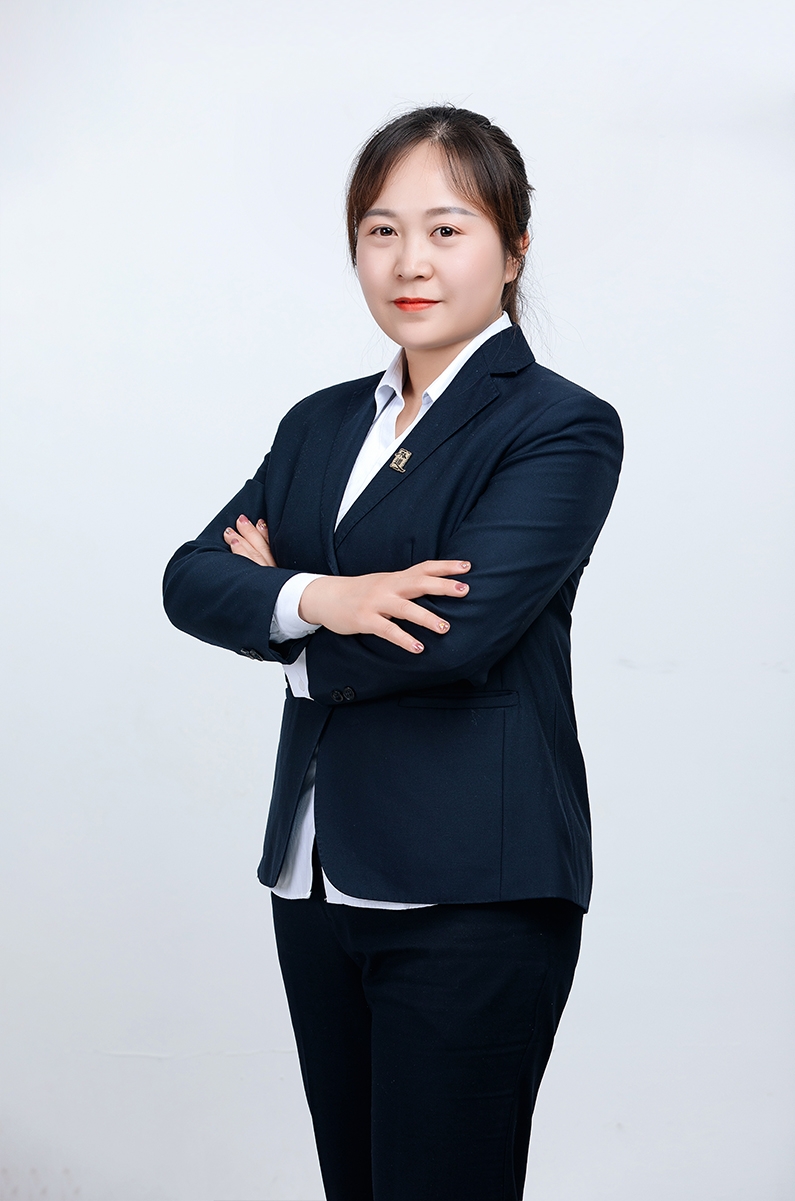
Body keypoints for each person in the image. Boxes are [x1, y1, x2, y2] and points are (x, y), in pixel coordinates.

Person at [163, 104, 623, 1201]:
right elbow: (191, 578)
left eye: (446, 229)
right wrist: (334, 595)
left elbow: (452, 633)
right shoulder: (319, 426)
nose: (410, 261)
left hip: (473, 890)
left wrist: (282, 610)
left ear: (513, 250)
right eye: (381, 231)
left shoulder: (557, 426)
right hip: (315, 877)